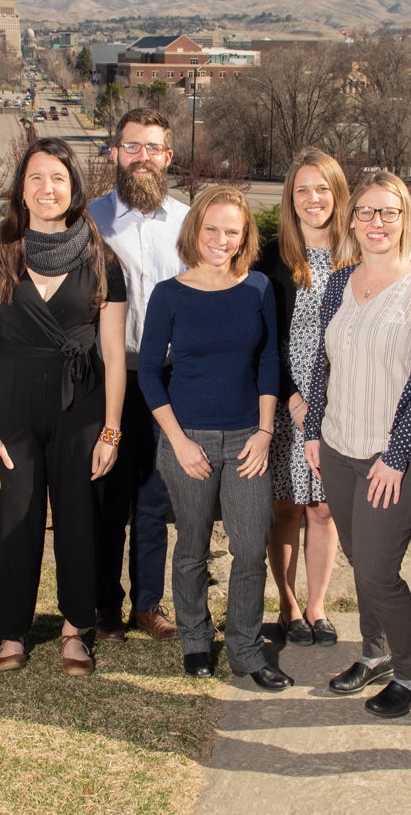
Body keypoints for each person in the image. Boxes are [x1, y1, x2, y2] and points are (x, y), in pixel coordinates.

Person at [303, 172, 411, 718]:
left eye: (388, 212)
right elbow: (323, 367)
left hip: (398, 456)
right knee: (357, 555)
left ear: (404, 220)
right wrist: (313, 432)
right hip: (340, 448)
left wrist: (396, 457)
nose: (376, 223)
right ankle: (376, 653)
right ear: (351, 220)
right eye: (366, 212)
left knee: (376, 571)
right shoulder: (336, 285)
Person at [0, 137, 126, 676]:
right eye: (35, 178)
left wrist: (112, 431)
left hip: (82, 408)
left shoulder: (103, 261)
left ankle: (74, 629)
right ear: (21, 190)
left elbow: (112, 353)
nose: (46, 189)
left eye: (57, 178)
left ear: (74, 187)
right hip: (10, 407)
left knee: (81, 519)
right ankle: (10, 629)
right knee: (11, 518)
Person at [139, 186, 290, 691]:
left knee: (249, 550)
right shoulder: (169, 293)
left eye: (232, 230)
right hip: (189, 442)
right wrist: (179, 442)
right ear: (195, 230)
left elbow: (270, 362)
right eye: (212, 229)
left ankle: (246, 649)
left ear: (245, 236)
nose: (221, 239)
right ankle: (196, 640)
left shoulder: (260, 289)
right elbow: (148, 375)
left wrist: (266, 433)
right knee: (192, 547)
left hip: (249, 440)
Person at [90, 108, 190, 643]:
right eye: (133, 147)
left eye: (153, 148)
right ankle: (105, 606)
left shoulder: (188, 221)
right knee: (108, 495)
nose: (143, 157)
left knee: (153, 499)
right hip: (110, 376)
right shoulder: (89, 220)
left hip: (170, 380)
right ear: (115, 154)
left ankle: (147, 605)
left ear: (168, 156)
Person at [252, 148, 349, 648]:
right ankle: (288, 604)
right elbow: (266, 339)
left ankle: (318, 606)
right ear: (291, 197)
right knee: (287, 505)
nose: (314, 199)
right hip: (289, 401)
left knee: (325, 508)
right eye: (303, 189)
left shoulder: (359, 252)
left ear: (338, 194)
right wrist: (292, 398)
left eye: (323, 189)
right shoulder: (271, 257)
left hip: (344, 402)